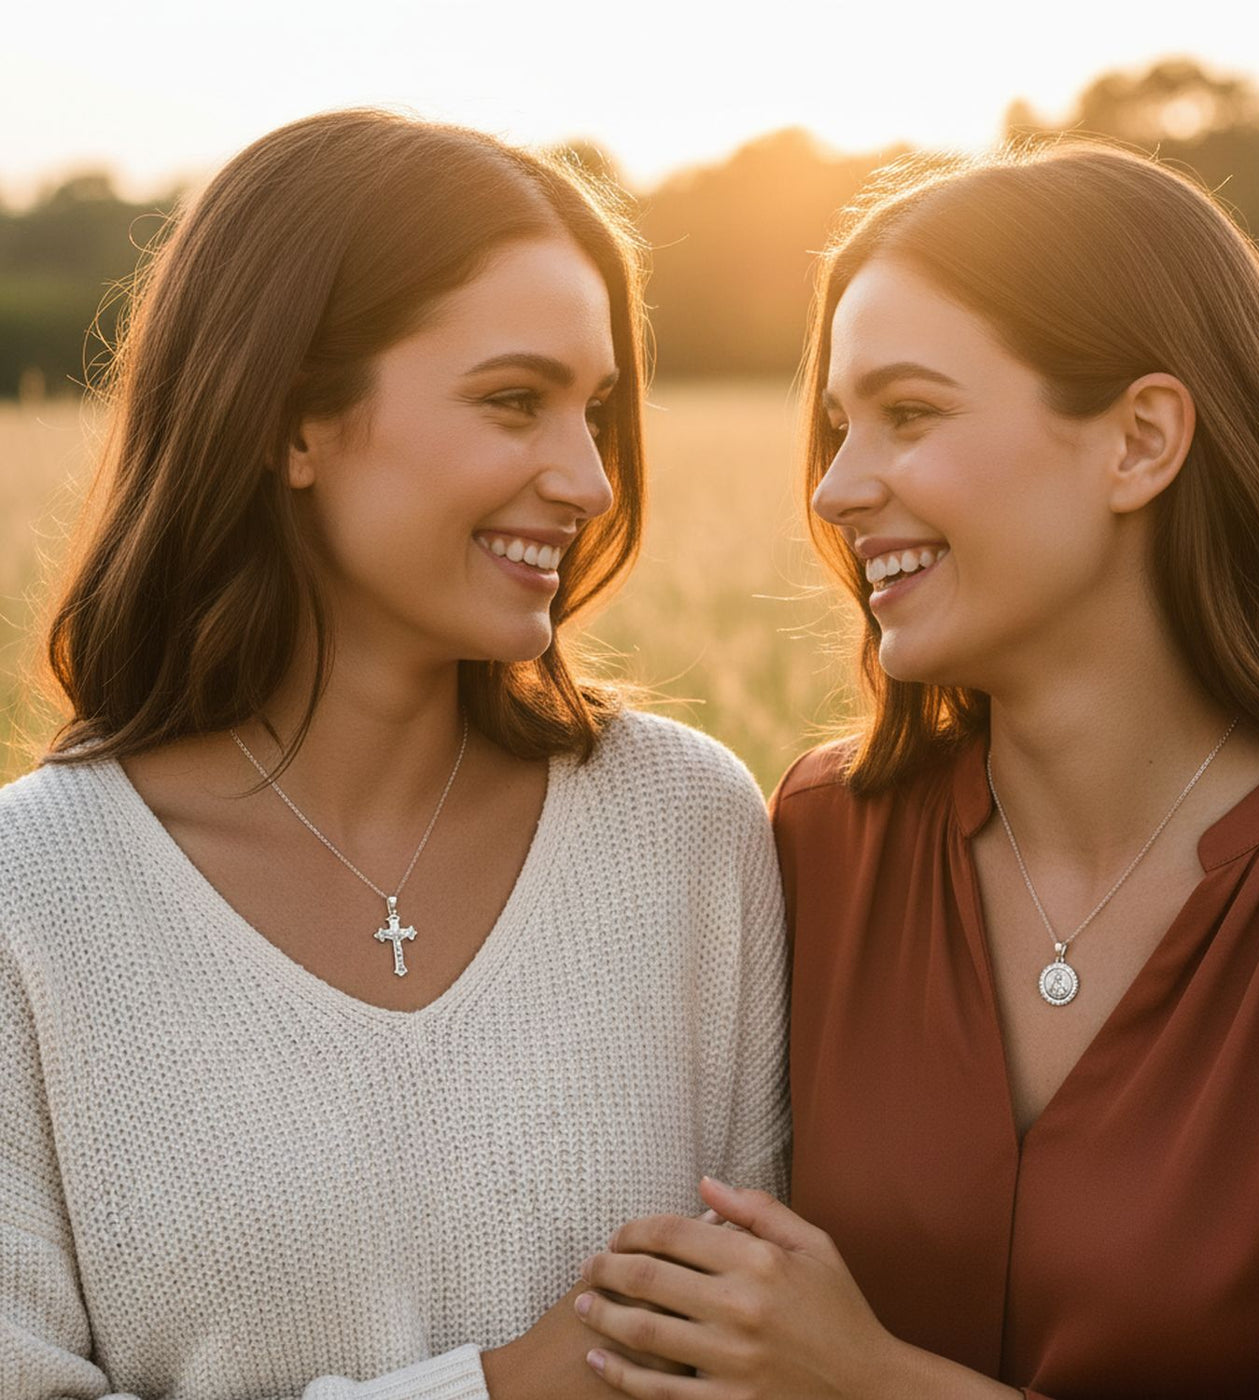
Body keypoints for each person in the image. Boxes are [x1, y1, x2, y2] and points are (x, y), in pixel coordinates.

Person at [572, 143, 1259, 1398]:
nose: (835, 488)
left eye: (909, 413)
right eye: (841, 427)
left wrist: (866, 1380)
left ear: (1138, 441)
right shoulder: (818, 841)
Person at [0, 110, 788, 1400]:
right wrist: (493, 1388)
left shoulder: (687, 828)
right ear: (292, 421)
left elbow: (761, 1355)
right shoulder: (31, 895)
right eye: (512, 400)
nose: (588, 479)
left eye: (590, 411)